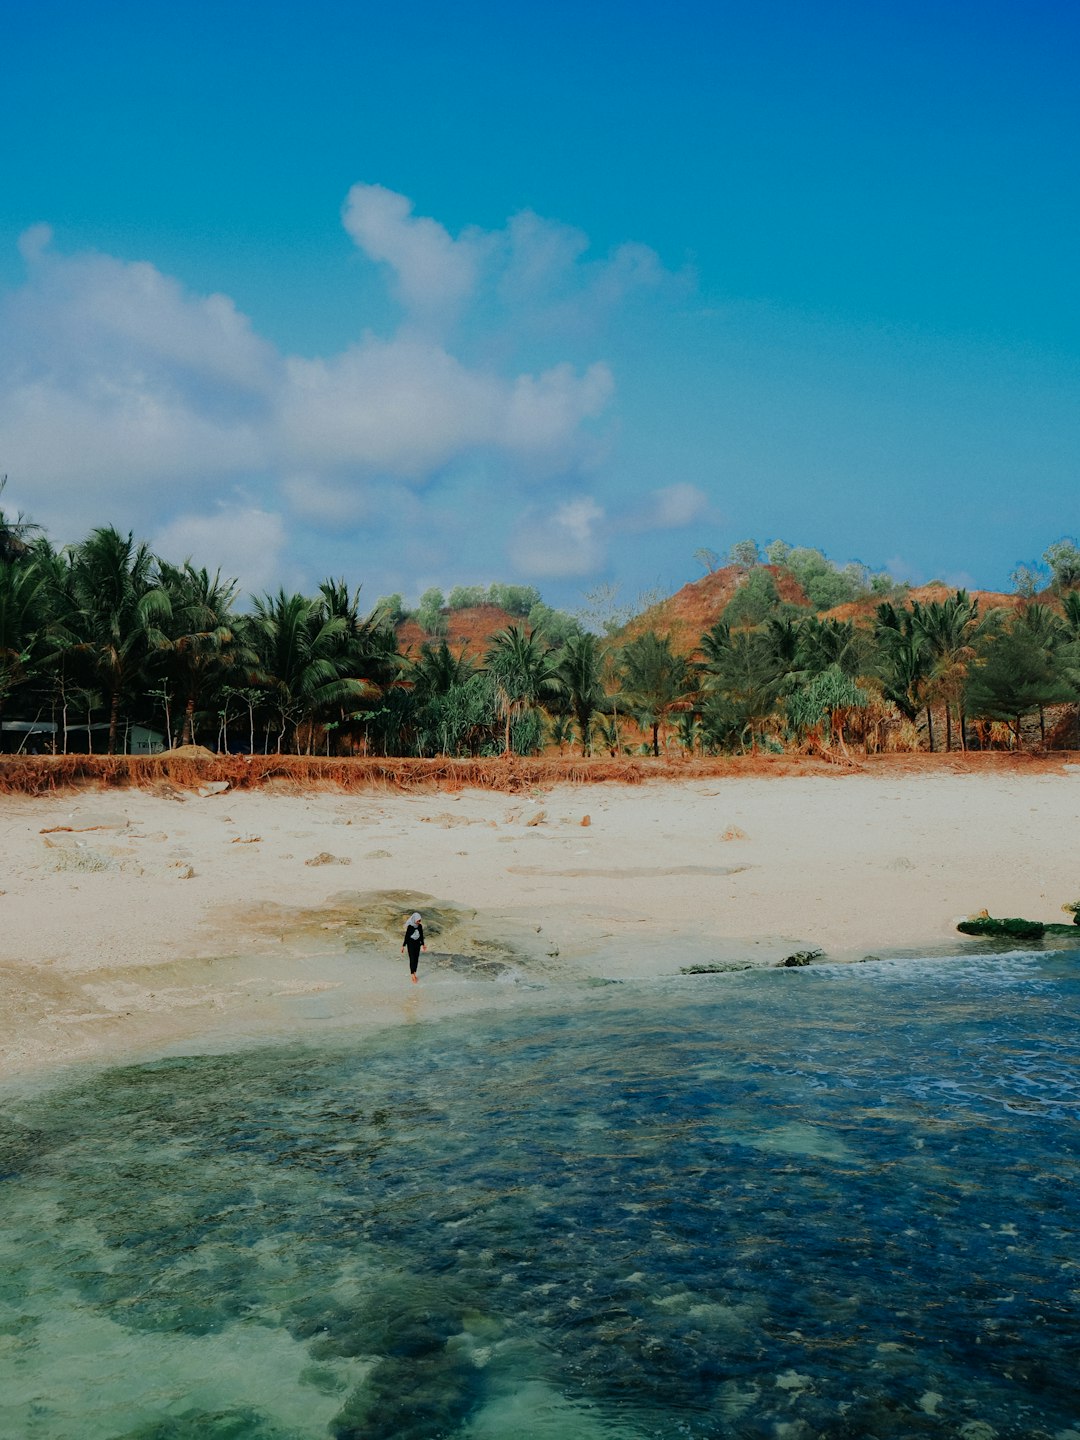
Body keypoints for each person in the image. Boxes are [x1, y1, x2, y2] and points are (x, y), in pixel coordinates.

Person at [401, 912, 426, 983]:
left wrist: (423, 944)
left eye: (420, 920)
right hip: (410, 943)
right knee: (412, 958)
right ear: (414, 919)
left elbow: (421, 936)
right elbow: (406, 937)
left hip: (417, 943)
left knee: (416, 959)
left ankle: (415, 972)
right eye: (418, 920)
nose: (419, 922)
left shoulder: (420, 926)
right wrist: (403, 946)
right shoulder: (410, 927)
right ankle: (412, 974)